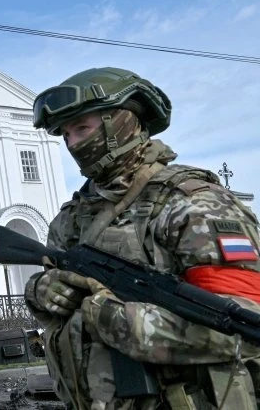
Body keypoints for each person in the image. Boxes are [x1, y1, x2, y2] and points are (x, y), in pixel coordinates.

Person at [25, 67, 260, 409]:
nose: (73, 144)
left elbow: (246, 324)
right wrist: (40, 291)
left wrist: (121, 322)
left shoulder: (194, 204)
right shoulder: (71, 219)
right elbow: (55, 294)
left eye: (82, 128)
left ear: (121, 122)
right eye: (66, 135)